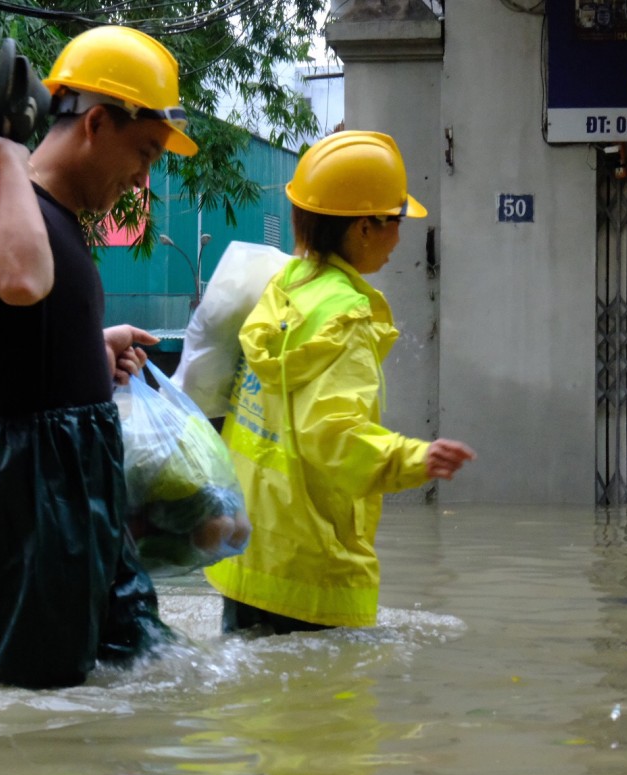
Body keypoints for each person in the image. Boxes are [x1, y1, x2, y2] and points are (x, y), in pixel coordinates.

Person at [0, 25, 200, 689]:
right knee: (44, 704)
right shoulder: (8, 202)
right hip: (33, 497)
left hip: (78, 489)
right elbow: (25, 284)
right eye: (143, 152)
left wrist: (89, 346)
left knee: (149, 667)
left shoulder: (45, 218)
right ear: (95, 123)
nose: (144, 177)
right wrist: (5, 154)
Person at [203, 130, 476, 636]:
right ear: (363, 229)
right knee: (327, 713)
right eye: (394, 220)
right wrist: (414, 459)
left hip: (247, 554)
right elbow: (333, 435)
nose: (400, 236)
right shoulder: (346, 317)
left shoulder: (284, 289)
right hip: (309, 565)